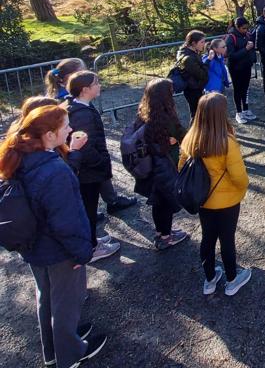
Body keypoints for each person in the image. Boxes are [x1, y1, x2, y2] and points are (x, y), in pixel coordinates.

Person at [0, 104, 106, 368]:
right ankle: (69, 355)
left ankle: (52, 350)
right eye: (65, 126)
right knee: (65, 303)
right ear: (49, 135)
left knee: (46, 298)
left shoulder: (22, 157)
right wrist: (82, 253)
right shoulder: (54, 170)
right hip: (59, 251)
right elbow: (66, 221)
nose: (70, 129)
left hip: (34, 247)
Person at [179, 92, 251, 296]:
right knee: (227, 239)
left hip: (202, 199)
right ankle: (232, 279)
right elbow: (239, 176)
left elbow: (182, 167)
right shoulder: (227, 142)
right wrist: (241, 189)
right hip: (227, 202)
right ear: (221, 114)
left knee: (207, 238)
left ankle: (209, 279)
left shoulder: (190, 138)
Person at [46, 56, 136, 215]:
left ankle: (108, 201)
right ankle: (100, 210)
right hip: (88, 165)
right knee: (88, 201)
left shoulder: (77, 101)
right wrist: (100, 161)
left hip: (89, 163)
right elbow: (86, 144)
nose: (87, 73)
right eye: (83, 71)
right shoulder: (77, 110)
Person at [64, 72, 121, 263]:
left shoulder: (83, 108)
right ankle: (92, 247)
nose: (99, 85)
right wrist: (100, 162)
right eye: (96, 83)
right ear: (85, 89)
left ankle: (92, 239)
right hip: (89, 172)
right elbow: (85, 146)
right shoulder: (82, 115)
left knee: (90, 206)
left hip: (89, 170)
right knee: (88, 208)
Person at [130, 78, 189, 250]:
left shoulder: (143, 112)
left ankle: (160, 232)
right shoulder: (166, 116)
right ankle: (165, 237)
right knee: (166, 202)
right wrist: (174, 140)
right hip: (166, 166)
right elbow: (183, 134)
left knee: (158, 202)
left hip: (151, 166)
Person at [225, 17, 257, 124]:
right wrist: (246, 49)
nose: (246, 30)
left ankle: (246, 110)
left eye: (247, 28)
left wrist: (252, 58)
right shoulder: (231, 38)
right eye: (243, 28)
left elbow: (251, 50)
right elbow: (231, 56)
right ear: (237, 27)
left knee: (246, 89)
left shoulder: (247, 35)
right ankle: (238, 112)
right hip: (235, 69)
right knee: (238, 90)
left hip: (246, 66)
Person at [175, 30, 210, 119]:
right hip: (193, 89)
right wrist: (208, 60)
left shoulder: (190, 51)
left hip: (195, 87)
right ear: (194, 43)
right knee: (196, 115)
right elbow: (202, 74)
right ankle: (194, 128)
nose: (204, 44)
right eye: (202, 42)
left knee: (199, 114)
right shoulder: (188, 58)